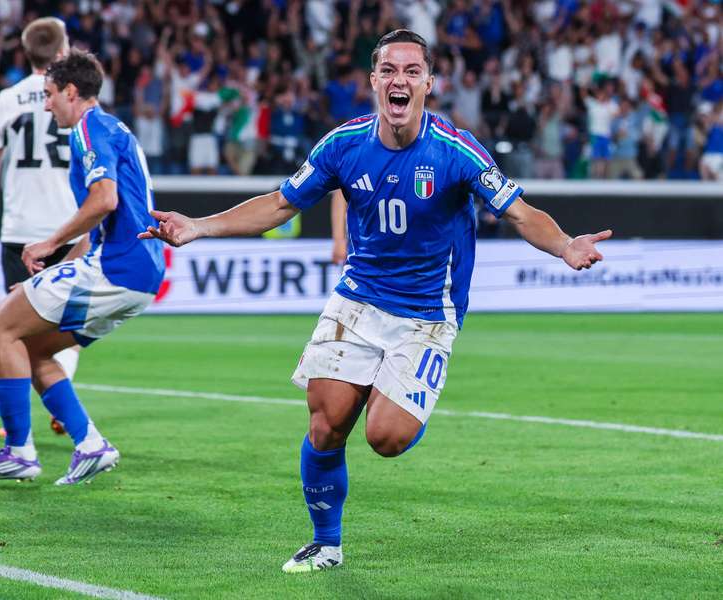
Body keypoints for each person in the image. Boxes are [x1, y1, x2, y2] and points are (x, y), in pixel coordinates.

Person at [139, 30, 612, 572]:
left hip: (428, 314)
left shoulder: (456, 150)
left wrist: (565, 245)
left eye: (411, 71)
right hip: (359, 300)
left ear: (429, 84)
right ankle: (326, 543)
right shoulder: (343, 144)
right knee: (325, 426)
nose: (398, 80)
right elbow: (280, 204)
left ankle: (402, 394)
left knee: (385, 437)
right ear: (373, 81)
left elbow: (521, 213)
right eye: (388, 70)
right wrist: (198, 226)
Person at [0, 50, 165, 486]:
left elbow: (104, 200)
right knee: (32, 348)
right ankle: (90, 445)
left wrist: (50, 243)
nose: (47, 104)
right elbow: (102, 223)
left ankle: (19, 452)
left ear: (72, 92)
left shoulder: (90, 128)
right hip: (138, 272)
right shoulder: (114, 129)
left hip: (118, 267)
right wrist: (52, 272)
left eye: (50, 94)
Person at [0, 17, 78, 437]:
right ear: (62, 51)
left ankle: (20, 424)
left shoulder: (8, 98)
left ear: (25, 52)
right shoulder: (77, 95)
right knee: (66, 324)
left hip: (21, 231)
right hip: (70, 228)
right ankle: (61, 401)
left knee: (15, 327)